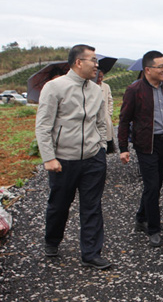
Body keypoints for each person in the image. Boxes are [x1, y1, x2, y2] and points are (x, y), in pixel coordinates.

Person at [35, 44, 111, 270]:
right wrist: (49, 157)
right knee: (59, 205)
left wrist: (101, 147)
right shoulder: (55, 87)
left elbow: (100, 122)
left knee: (92, 206)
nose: (97, 65)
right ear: (79, 62)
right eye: (93, 60)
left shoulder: (96, 90)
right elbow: (43, 125)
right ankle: (52, 241)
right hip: (63, 160)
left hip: (92, 158)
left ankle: (91, 253)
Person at [117, 51, 163, 247]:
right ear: (147, 69)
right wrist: (123, 147)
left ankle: (141, 216)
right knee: (151, 185)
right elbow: (124, 120)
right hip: (145, 144)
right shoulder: (134, 90)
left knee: (156, 185)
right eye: (160, 67)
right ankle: (153, 228)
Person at [95, 70, 116, 154]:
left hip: (105, 115)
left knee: (107, 136)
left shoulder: (106, 86)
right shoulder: (91, 86)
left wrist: (109, 112)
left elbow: (110, 100)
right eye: (98, 76)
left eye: (101, 76)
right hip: (95, 116)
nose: (100, 78)